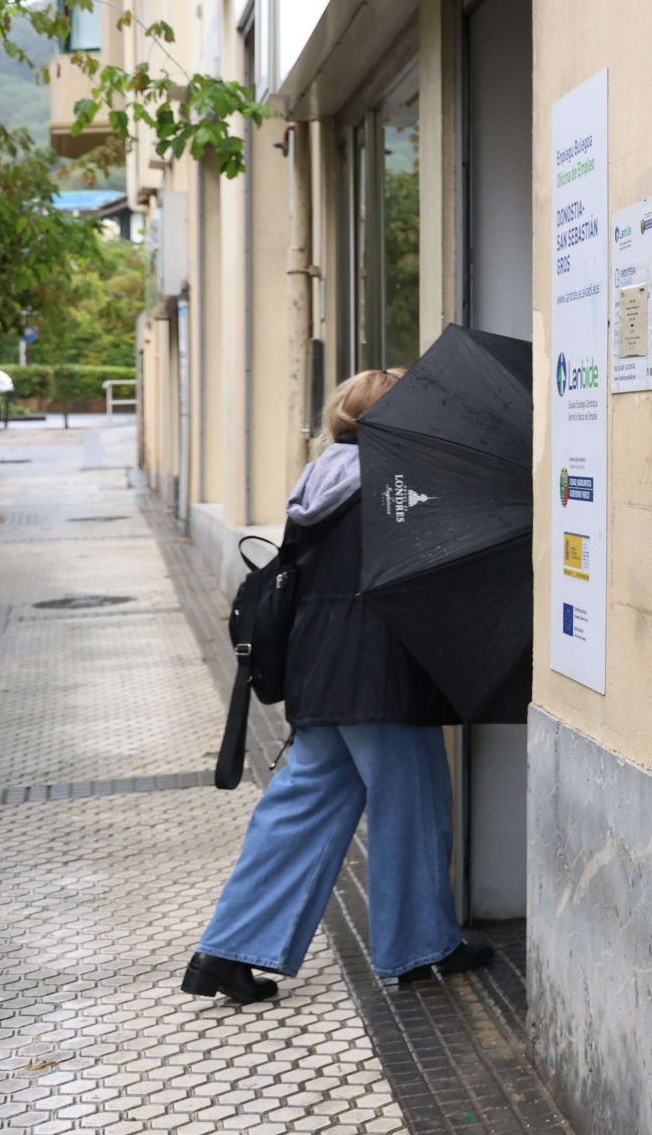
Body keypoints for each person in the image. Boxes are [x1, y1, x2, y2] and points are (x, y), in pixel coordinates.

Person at [182, 368, 491, 1004]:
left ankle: (225, 951)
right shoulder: (394, 482)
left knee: (297, 810)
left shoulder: (317, 481)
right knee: (412, 806)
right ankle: (417, 949)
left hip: (319, 671)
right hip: (380, 675)